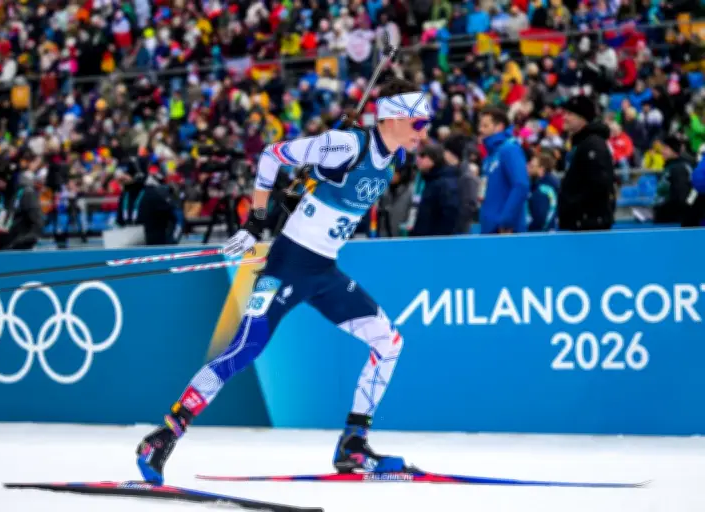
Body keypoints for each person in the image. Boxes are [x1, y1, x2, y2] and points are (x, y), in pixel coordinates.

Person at [136, 78, 431, 483]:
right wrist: (256, 221)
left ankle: (354, 444)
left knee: (389, 341)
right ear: (393, 117)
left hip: (324, 272)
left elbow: (325, 190)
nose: (424, 132)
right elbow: (272, 156)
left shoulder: (392, 158)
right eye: (418, 123)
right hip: (287, 266)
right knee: (243, 350)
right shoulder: (347, 144)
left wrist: (306, 190)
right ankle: (164, 435)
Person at [557, 95, 616, 231]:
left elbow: (600, 184)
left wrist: (575, 208)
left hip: (588, 226)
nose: (564, 117)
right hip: (580, 224)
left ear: (582, 118)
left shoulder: (593, 145)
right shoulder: (580, 144)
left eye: (570, 113)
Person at [477, 106, 530, 234]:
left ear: (499, 127)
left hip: (504, 231)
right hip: (489, 229)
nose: (480, 130)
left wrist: (506, 221)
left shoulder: (510, 149)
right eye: (480, 125)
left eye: (485, 126)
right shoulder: (489, 157)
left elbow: (521, 185)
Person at [411, 137, 464, 236]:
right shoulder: (430, 180)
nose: (418, 159)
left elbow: (450, 216)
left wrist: (439, 242)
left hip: (435, 244)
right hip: (424, 242)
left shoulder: (445, 183)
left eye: (422, 156)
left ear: (433, 158)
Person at [653, 136, 693, 225]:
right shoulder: (670, 166)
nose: (662, 151)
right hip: (666, 217)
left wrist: (664, 211)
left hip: (673, 220)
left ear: (674, 151)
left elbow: (681, 197)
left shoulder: (679, 168)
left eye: (666, 148)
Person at [526, 152, 561, 232]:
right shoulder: (553, 185)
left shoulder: (542, 190)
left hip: (541, 237)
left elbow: (540, 217)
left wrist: (529, 230)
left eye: (532, 166)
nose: (527, 168)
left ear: (541, 170)